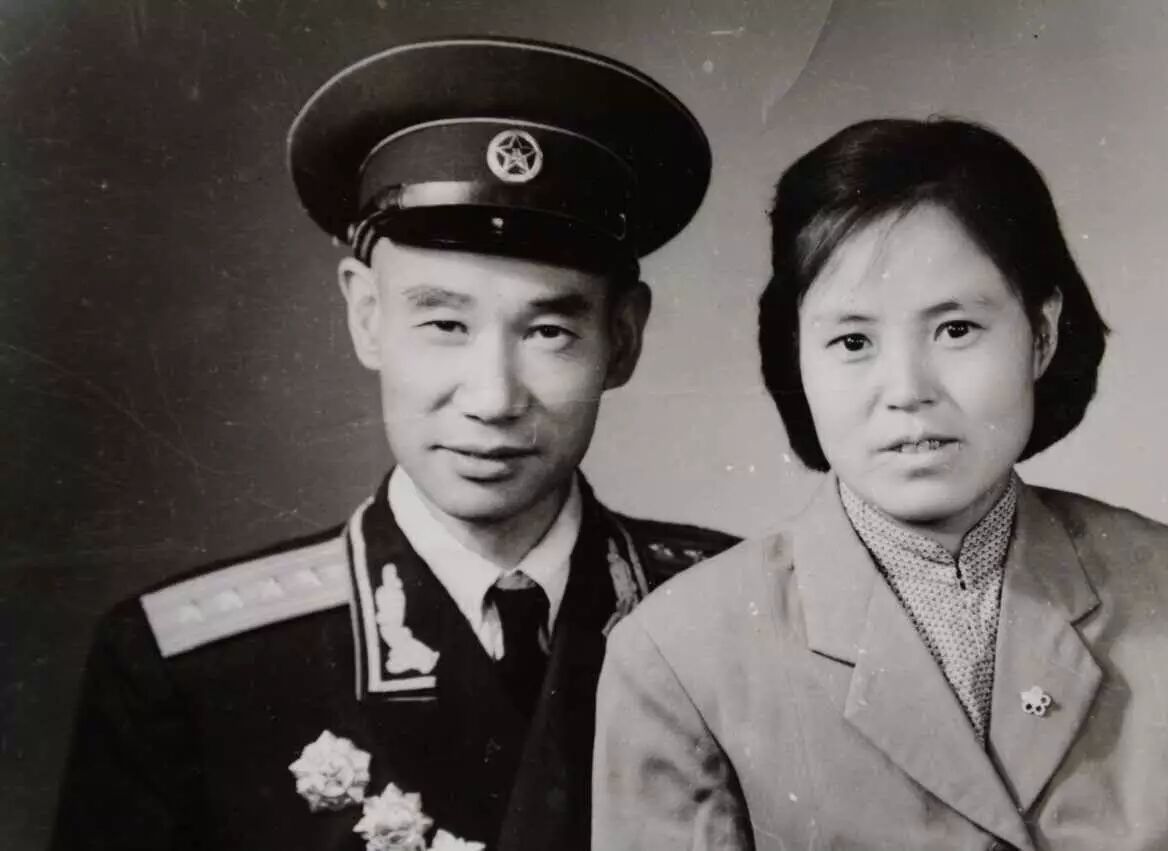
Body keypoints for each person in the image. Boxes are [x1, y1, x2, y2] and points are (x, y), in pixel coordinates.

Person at [51, 37, 735, 851]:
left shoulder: (733, 619)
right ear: (367, 316)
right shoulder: (190, 667)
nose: (493, 398)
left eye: (549, 331)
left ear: (622, 339)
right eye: (444, 323)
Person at [592, 117, 1168, 850]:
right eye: (852, 341)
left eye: (956, 329)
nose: (907, 390)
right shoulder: (677, 657)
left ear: (1042, 334)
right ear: (797, 357)